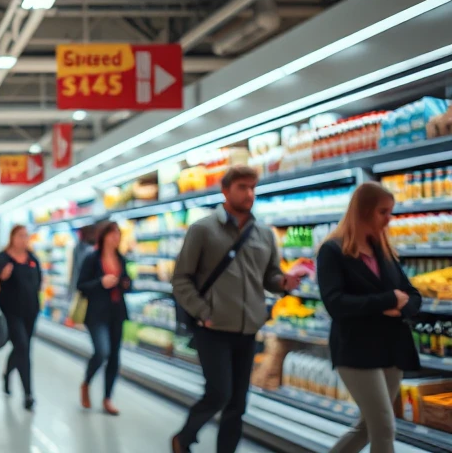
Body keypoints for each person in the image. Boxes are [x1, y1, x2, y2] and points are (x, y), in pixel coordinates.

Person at [171, 165, 301, 453]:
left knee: (237, 403)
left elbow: (269, 277)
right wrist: (204, 312)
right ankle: (184, 436)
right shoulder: (203, 230)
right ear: (225, 191)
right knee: (219, 393)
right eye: (242, 187)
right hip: (213, 328)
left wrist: (284, 282)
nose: (249, 193)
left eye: (253, 187)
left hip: (248, 328)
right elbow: (181, 279)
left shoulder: (264, 234)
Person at [317, 182, 421, 453]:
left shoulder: (382, 249)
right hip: (356, 350)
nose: (389, 219)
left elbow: (411, 294)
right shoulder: (333, 251)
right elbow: (335, 303)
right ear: (363, 211)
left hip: (391, 348)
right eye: (383, 212)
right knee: (384, 427)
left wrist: (401, 307)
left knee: (369, 426)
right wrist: (387, 301)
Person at [76, 221, 132, 415]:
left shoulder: (121, 259)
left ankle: (108, 398)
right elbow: (81, 285)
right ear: (104, 236)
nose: (116, 237)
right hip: (96, 314)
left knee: (115, 356)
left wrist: (125, 283)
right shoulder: (92, 259)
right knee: (102, 351)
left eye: (118, 234)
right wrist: (101, 282)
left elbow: (128, 283)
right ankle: (87, 382)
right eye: (112, 234)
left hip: (116, 312)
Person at [0, 225, 42, 411]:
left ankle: (7, 374)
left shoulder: (32, 259)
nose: (24, 239)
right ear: (12, 237)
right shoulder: (1, 259)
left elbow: (38, 282)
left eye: (26, 236)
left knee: (22, 348)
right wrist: (1, 277)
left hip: (30, 312)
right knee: (22, 347)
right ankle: (28, 394)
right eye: (20, 236)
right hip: (10, 313)